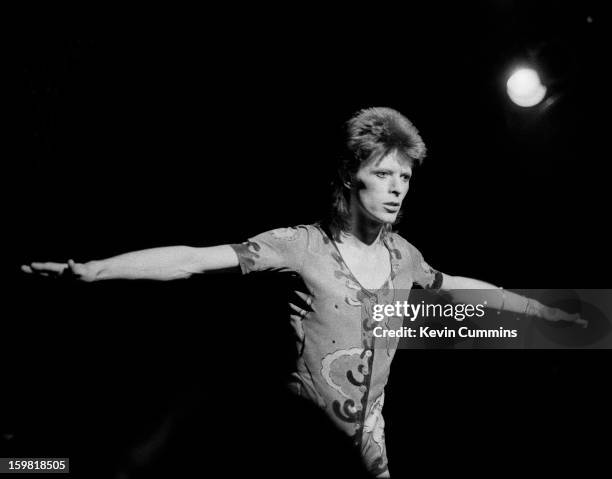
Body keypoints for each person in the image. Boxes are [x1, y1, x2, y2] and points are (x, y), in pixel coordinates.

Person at [21, 107, 586, 478]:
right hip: (299, 451)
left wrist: (539, 309)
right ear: (350, 174)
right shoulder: (300, 246)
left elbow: (457, 285)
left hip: (371, 453)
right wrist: (95, 271)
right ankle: (28, 463)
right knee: (39, 465)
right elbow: (195, 260)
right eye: (384, 173)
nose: (396, 188)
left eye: (405, 177)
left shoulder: (403, 256)